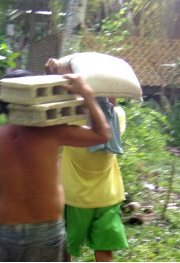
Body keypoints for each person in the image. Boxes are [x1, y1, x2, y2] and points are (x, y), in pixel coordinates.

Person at [0, 71, 112, 262]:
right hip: (47, 231)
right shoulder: (51, 132)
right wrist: (86, 94)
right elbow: (102, 134)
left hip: (9, 233)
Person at [48, 59, 130, 262]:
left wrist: (54, 77)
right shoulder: (118, 118)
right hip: (108, 197)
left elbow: (59, 105)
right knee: (104, 254)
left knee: (65, 251)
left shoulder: (73, 122)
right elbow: (112, 105)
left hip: (76, 198)